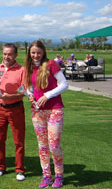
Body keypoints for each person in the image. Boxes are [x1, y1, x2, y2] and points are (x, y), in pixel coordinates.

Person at [24, 40, 68, 189]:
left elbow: (64, 84)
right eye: (33, 53)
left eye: (38, 52)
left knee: (54, 145)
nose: (36, 55)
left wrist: (47, 95)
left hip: (54, 109)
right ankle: (46, 176)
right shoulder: (29, 67)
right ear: (29, 53)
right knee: (42, 145)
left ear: (43, 52)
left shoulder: (51, 64)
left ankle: (59, 175)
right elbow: (29, 86)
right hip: (37, 110)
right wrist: (30, 94)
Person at [0, 43, 26, 181]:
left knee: (19, 141)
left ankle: (20, 169)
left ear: (16, 55)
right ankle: (0, 167)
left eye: (10, 54)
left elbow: (23, 92)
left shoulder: (22, 70)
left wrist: (9, 96)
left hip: (16, 108)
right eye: (5, 54)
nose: (7, 57)